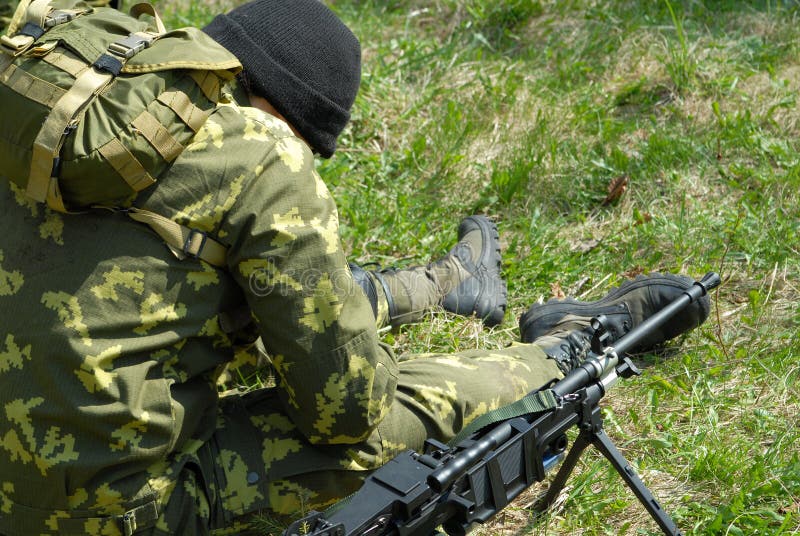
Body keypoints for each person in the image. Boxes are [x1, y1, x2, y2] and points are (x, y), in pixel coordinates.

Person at [0, 1, 710, 534]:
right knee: (415, 402)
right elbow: (345, 413)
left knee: (245, 285)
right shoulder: (260, 156)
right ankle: (571, 345)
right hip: (100, 516)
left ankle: (446, 286)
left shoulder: (50, 96)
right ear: (283, 115)